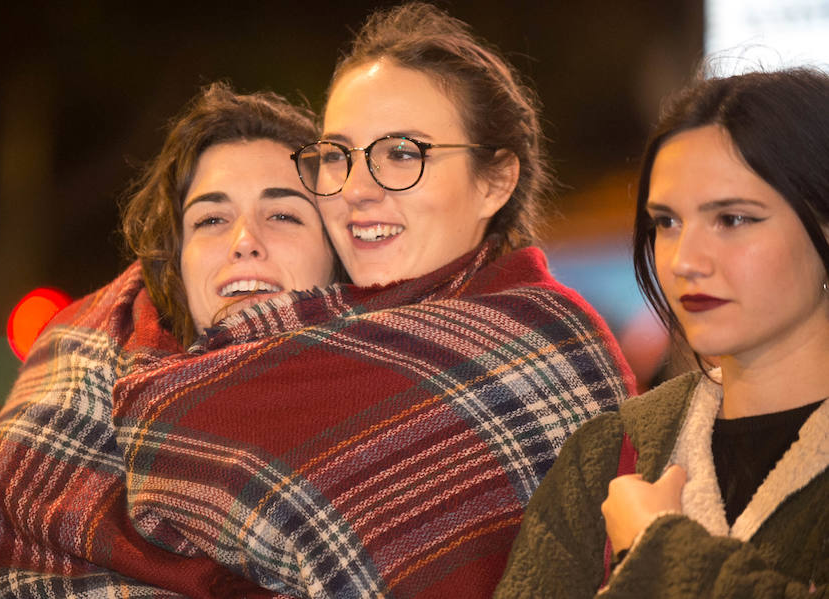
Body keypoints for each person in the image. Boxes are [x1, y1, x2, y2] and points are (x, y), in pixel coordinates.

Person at [108, 4, 634, 598]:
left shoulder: (553, 352)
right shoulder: (281, 350)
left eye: (403, 154)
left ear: (495, 181)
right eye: (336, 156)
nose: (358, 189)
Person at [0, 82, 337, 598]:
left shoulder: (409, 415)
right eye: (211, 219)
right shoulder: (79, 379)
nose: (244, 242)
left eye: (283, 214)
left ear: (336, 250)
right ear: (177, 261)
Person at [494, 67, 829, 599]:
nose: (685, 261)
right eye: (666, 222)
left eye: (734, 219)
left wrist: (659, 550)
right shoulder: (607, 453)